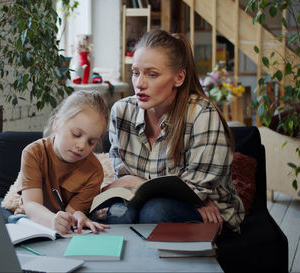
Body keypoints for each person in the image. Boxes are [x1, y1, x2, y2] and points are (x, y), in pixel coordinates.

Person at [102, 29, 245, 233]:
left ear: (179, 78)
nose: (140, 83)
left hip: (209, 211)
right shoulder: (121, 111)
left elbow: (198, 190)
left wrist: (137, 183)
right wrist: (133, 185)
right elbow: (122, 177)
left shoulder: (201, 113)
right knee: (119, 213)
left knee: (155, 212)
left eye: (152, 74)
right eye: (135, 72)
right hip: (150, 202)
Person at [16, 90, 110, 235]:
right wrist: (52, 220)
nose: (81, 146)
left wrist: (76, 216)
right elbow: (31, 204)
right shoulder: (33, 153)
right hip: (34, 220)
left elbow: (71, 214)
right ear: (57, 123)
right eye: (76, 134)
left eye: (91, 142)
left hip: (63, 230)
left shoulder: (94, 172)